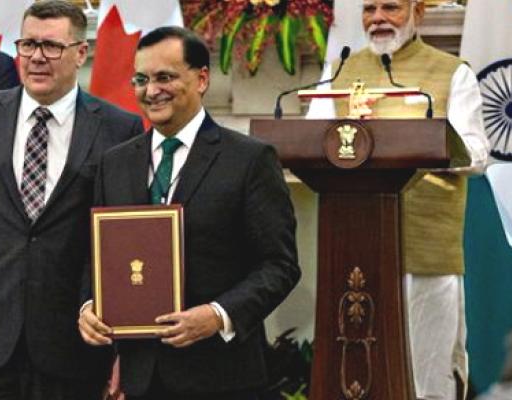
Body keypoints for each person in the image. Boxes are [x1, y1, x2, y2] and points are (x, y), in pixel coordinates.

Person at [0, 1, 143, 399]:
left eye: (51, 46)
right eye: (28, 44)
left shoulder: (119, 129)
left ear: (80, 53)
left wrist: (126, 343)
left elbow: (123, 242)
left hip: (74, 347)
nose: (36, 57)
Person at [78, 26, 300, 399]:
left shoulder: (249, 159)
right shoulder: (114, 163)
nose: (151, 91)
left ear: (201, 79)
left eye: (165, 77)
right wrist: (89, 306)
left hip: (222, 377)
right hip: (141, 379)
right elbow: (97, 254)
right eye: (141, 80)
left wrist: (216, 315)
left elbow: (280, 265)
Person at [307, 0, 490, 398]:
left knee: (428, 376)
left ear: (417, 13)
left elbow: (477, 156)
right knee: (357, 375)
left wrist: (418, 142)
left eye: (391, 7)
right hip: (353, 249)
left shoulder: (451, 71)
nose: (378, 18)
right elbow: (310, 143)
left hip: (426, 250)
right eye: (369, 9)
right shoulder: (340, 71)